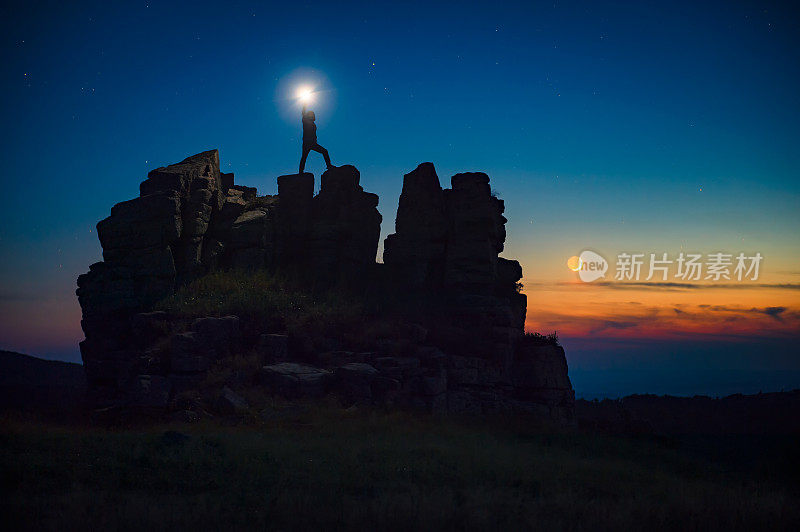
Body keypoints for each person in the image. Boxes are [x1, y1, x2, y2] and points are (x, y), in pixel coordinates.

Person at [298, 104, 333, 173]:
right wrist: (305, 103)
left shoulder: (313, 123)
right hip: (307, 142)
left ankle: (329, 166)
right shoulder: (305, 121)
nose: (313, 116)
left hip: (312, 143)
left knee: (324, 151)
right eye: (311, 115)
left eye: (313, 115)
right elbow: (303, 113)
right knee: (304, 157)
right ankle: (300, 171)